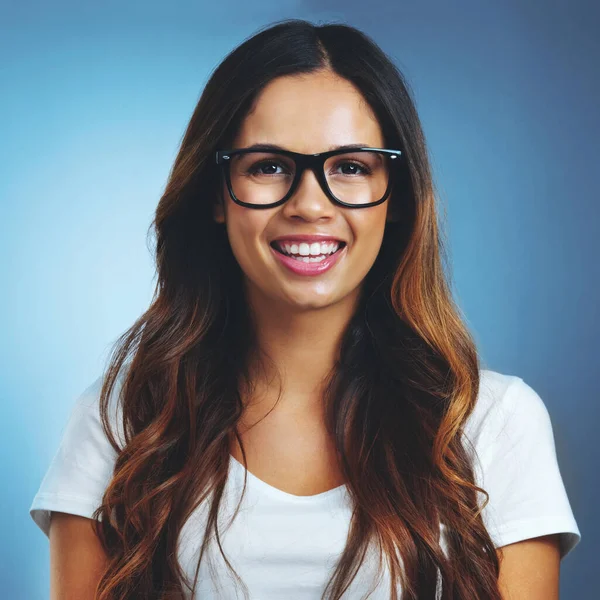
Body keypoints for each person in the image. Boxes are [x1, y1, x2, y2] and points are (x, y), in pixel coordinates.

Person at [29, 18, 581, 600]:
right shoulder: (122, 422)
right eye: (268, 166)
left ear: (396, 195)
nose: (310, 205)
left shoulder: (492, 422)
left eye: (351, 166)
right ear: (217, 194)